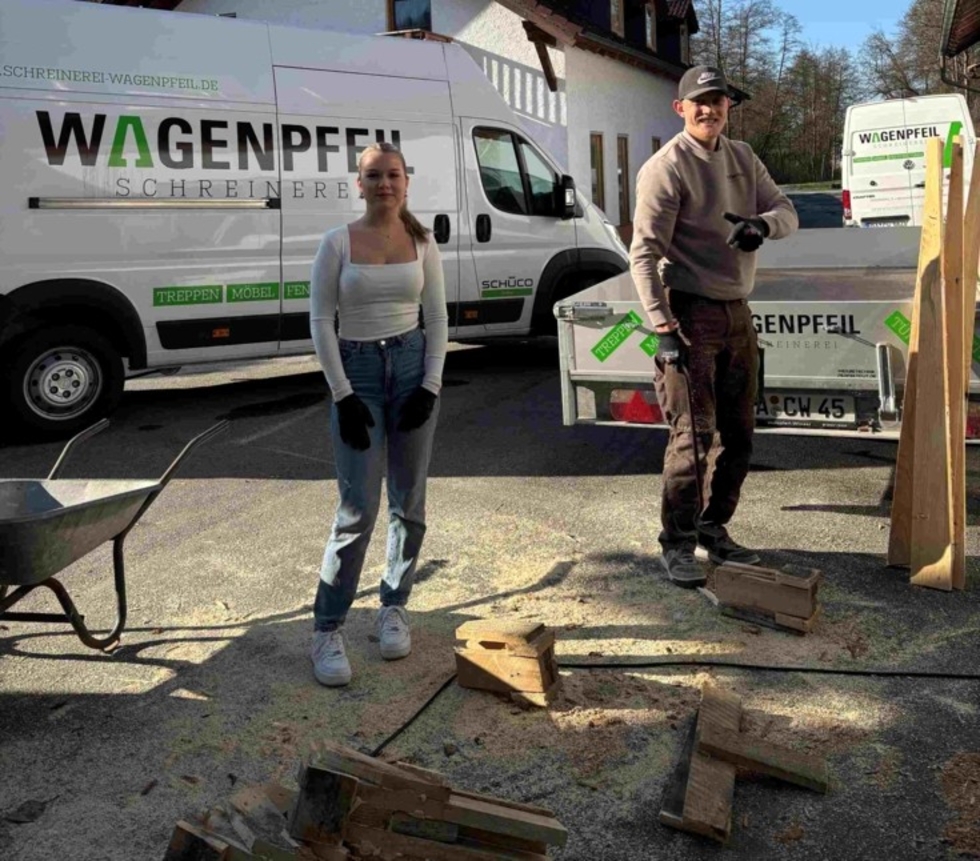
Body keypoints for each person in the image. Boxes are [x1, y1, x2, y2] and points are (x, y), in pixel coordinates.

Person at [629, 65, 799, 588]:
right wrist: (661, 328)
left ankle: (713, 527)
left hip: (736, 314)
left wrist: (759, 227)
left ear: (728, 107)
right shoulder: (667, 167)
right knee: (693, 438)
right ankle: (676, 542)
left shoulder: (743, 157)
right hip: (690, 315)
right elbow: (643, 254)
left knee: (739, 434)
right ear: (680, 109)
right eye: (698, 101)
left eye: (718, 101)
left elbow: (786, 210)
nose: (709, 109)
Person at [308, 142, 448, 685]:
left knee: (409, 504)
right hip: (358, 374)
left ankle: (394, 605)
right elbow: (322, 321)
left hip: (412, 368)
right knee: (357, 509)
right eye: (373, 176)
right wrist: (342, 394)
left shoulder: (421, 241)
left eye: (393, 175)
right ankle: (326, 629)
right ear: (358, 184)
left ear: (406, 182)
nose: (384, 184)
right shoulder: (336, 243)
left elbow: (435, 317)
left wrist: (430, 385)